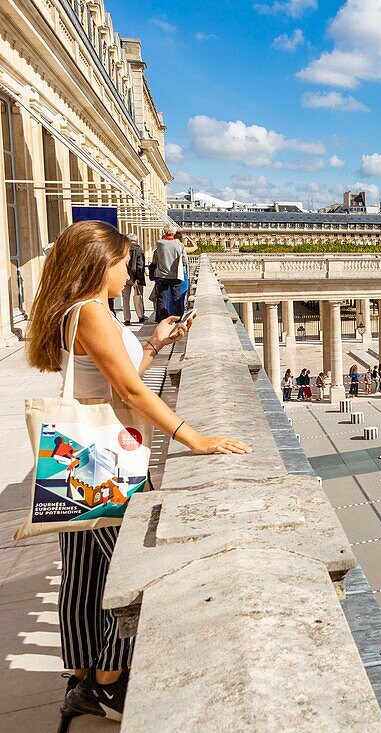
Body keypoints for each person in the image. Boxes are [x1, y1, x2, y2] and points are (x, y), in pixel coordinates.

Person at [25, 221, 250, 722]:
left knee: (84, 576)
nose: (133, 274)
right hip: (102, 464)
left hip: (74, 460)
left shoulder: (73, 311)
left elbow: (109, 379)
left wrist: (151, 348)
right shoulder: (90, 312)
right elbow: (128, 393)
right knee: (130, 575)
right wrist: (195, 437)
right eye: (125, 264)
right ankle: (110, 682)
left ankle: (82, 678)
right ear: (98, 264)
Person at [149, 226, 186, 320]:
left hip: (161, 276)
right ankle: (177, 319)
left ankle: (163, 320)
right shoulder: (179, 245)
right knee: (176, 299)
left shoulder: (160, 244)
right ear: (174, 233)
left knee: (162, 299)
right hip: (176, 275)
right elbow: (184, 261)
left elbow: (155, 260)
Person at [121, 234, 145, 325]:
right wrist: (138, 278)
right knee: (138, 297)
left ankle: (127, 319)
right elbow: (140, 265)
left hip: (125, 277)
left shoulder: (122, 249)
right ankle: (141, 316)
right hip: (136, 278)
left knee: (125, 299)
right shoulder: (139, 249)